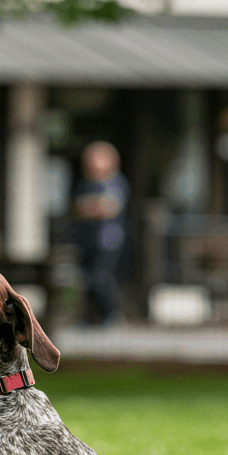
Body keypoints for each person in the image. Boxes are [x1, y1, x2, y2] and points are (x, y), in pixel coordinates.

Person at [72, 140, 129, 326]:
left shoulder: (115, 182)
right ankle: (91, 318)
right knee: (86, 279)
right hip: (86, 240)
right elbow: (78, 207)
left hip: (108, 241)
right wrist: (94, 205)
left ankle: (112, 315)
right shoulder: (86, 184)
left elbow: (109, 207)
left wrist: (91, 206)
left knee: (102, 277)